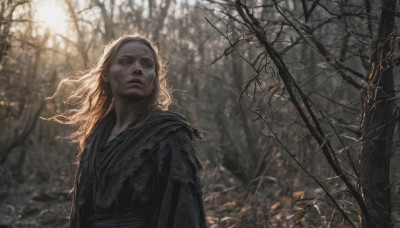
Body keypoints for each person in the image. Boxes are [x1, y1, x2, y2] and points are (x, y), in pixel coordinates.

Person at [53, 33, 206, 227]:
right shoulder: (97, 135)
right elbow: (82, 209)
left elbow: (183, 212)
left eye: (147, 64)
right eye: (126, 62)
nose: (137, 70)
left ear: (154, 80)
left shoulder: (170, 133)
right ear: (106, 74)